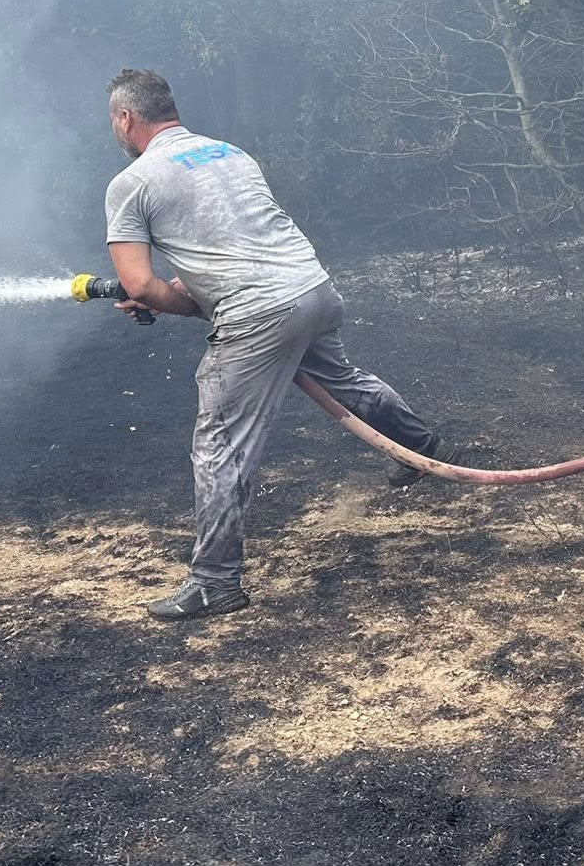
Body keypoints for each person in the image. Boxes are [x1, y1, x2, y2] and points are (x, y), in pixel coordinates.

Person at [101, 68, 441, 621]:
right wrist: (190, 292)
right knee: (343, 380)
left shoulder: (132, 182)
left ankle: (215, 582)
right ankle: (426, 447)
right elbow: (240, 247)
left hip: (260, 314)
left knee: (221, 442)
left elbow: (140, 284)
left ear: (125, 117)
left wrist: (172, 300)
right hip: (311, 288)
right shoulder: (230, 154)